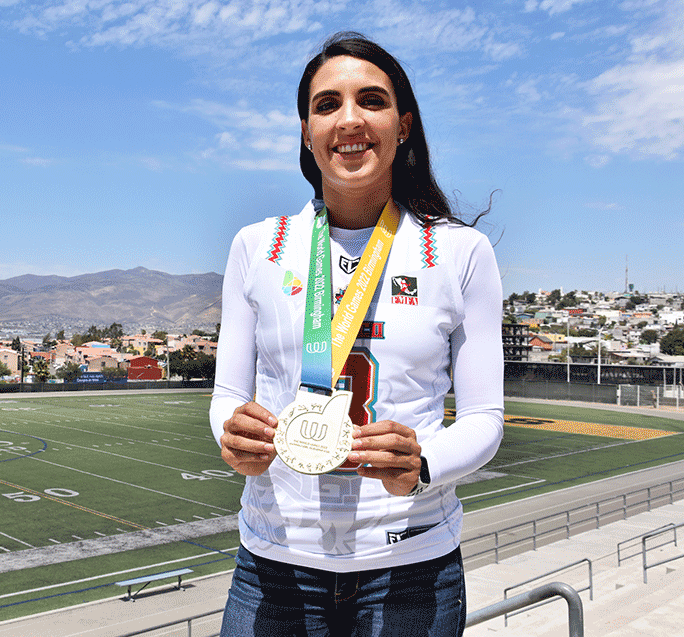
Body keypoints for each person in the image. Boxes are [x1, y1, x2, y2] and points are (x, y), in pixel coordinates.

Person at [209, 32, 505, 636]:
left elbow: (486, 418)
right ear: (305, 131)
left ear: (403, 126)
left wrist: (424, 462)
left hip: (411, 565)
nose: (349, 120)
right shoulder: (256, 246)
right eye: (327, 105)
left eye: (371, 100)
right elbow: (226, 398)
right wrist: (233, 433)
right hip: (276, 561)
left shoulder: (459, 252)